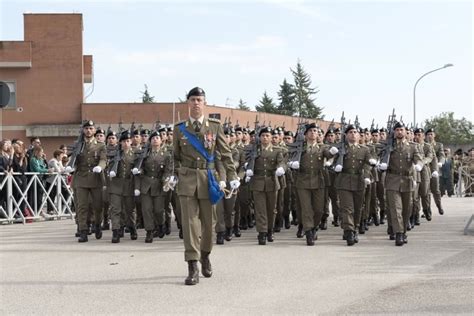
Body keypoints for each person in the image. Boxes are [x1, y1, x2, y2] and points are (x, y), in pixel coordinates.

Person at [173, 87, 239, 286]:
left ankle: (205, 255)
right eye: (192, 99)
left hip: (209, 179)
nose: (196, 103)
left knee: (209, 224)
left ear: (204, 103)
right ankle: (192, 265)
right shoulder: (180, 128)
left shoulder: (214, 126)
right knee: (190, 224)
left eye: (199, 100)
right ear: (188, 103)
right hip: (187, 181)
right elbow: (174, 157)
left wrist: (232, 176)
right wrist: (173, 175)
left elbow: (225, 154)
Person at [288, 123, 338, 246]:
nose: (313, 133)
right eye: (310, 131)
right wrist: (291, 163)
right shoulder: (299, 147)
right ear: (305, 134)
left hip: (318, 180)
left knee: (319, 209)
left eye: (315, 131)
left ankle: (314, 227)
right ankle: (309, 232)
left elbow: (328, 154)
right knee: (306, 208)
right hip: (303, 181)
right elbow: (289, 157)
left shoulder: (322, 147)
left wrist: (332, 152)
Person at [379, 122, 422, 246]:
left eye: (401, 129)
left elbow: (418, 158)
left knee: (406, 209)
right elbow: (379, 156)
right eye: (397, 129)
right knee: (396, 208)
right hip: (392, 179)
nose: (399, 132)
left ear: (405, 131)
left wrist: (419, 164)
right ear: (394, 132)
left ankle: (403, 231)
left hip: (407, 180)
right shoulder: (388, 145)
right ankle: (398, 233)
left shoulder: (412, 147)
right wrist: (381, 163)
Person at [66, 120, 107, 242]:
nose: (88, 131)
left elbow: (103, 159)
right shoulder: (78, 144)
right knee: (82, 206)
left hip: (95, 178)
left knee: (97, 206)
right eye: (86, 128)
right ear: (83, 130)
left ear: (94, 130)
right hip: (81, 178)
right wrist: (70, 165)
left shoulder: (101, 145)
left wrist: (100, 167)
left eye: (91, 128)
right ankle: (83, 230)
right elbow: (72, 158)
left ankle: (98, 225)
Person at [245, 126, 285, 245]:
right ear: (259, 137)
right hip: (257, 182)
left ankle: (270, 230)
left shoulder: (277, 150)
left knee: (271, 209)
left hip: (272, 181)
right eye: (263, 135)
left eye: (267, 135)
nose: (265, 138)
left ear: (271, 137)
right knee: (260, 209)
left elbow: (281, 161)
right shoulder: (254, 150)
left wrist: (281, 168)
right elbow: (247, 161)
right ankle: (262, 232)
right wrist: (248, 169)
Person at [333, 125, 372, 246]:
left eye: (355, 132)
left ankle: (354, 227)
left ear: (359, 135)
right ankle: (349, 231)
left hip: (359, 180)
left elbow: (368, 163)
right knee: (347, 208)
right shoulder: (340, 148)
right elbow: (332, 161)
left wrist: (366, 175)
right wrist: (335, 165)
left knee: (358, 207)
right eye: (350, 132)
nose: (353, 134)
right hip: (344, 180)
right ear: (346, 135)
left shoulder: (364, 149)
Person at [133, 130, 172, 243]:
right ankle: (149, 231)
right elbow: (141, 168)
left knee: (159, 210)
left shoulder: (166, 155)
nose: (155, 140)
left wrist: (166, 180)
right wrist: (138, 170)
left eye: (157, 138)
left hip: (159, 185)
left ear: (161, 141)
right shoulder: (144, 154)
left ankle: (160, 225)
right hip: (146, 185)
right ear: (150, 141)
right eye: (153, 138)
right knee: (147, 210)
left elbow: (168, 171)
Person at [108, 131, 138, 243]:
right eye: (124, 141)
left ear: (131, 142)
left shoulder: (135, 154)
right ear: (120, 143)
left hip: (129, 185)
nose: (126, 143)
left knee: (130, 210)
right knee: (116, 209)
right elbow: (108, 165)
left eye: (128, 141)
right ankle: (115, 231)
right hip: (116, 185)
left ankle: (132, 227)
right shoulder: (114, 154)